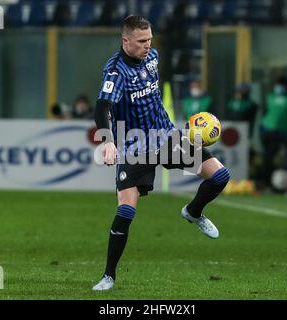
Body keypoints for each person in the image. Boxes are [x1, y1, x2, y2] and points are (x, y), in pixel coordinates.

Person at [92, 15, 231, 291]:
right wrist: (107, 140)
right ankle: (108, 276)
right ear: (125, 41)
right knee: (126, 210)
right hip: (134, 148)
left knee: (219, 176)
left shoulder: (153, 57)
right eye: (141, 41)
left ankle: (193, 212)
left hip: (166, 137)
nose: (147, 45)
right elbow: (102, 106)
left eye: (150, 40)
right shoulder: (117, 72)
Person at [260, 76, 287, 189]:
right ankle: (266, 182)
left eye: (280, 85)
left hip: (284, 133)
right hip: (269, 132)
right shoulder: (270, 97)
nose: (279, 87)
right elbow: (265, 113)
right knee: (268, 158)